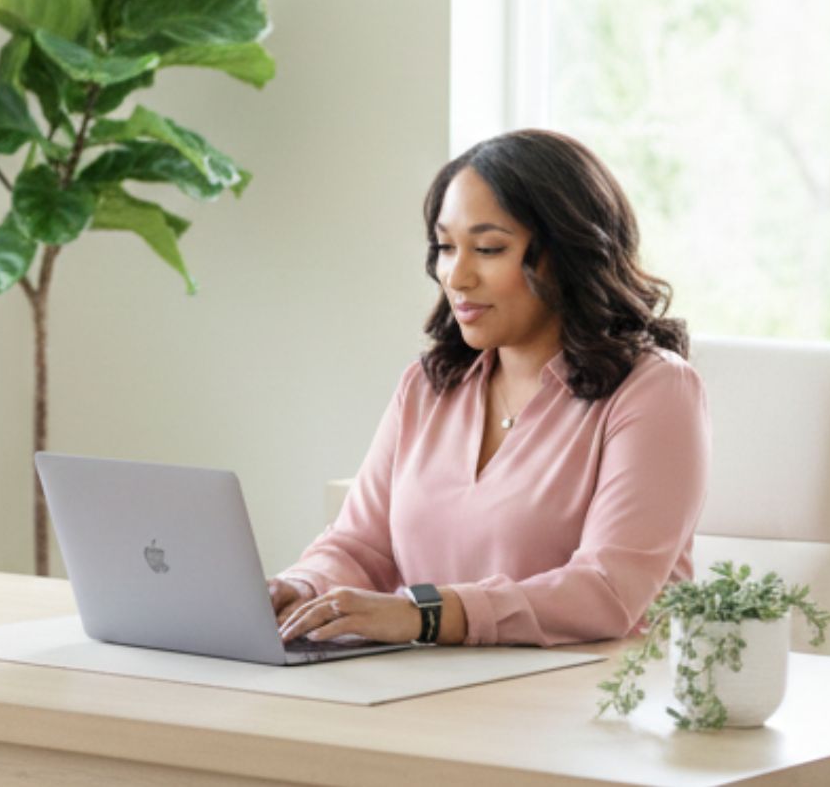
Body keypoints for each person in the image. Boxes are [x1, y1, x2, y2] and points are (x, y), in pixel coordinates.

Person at [269, 129, 711, 648]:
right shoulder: (428, 387)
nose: (456, 276)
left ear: (568, 253)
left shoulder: (654, 391)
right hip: (430, 693)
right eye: (445, 247)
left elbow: (608, 590)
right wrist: (302, 587)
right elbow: (361, 546)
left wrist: (425, 614)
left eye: (488, 248)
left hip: (594, 706)